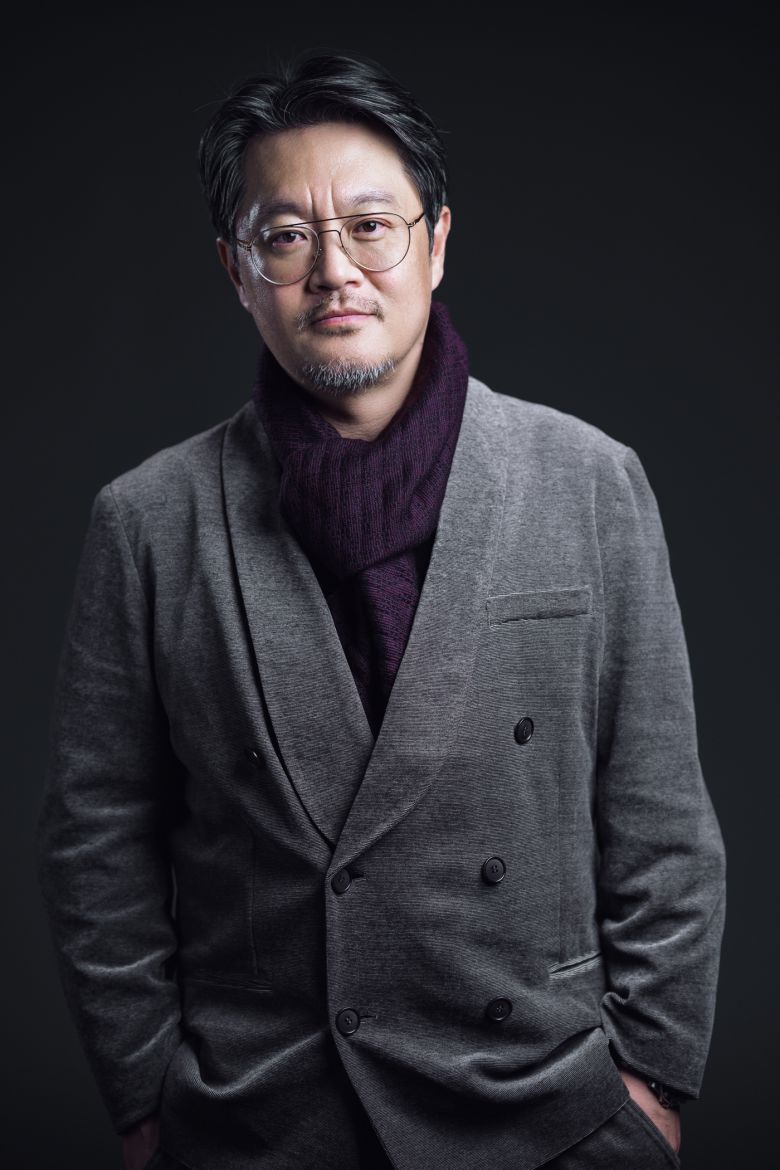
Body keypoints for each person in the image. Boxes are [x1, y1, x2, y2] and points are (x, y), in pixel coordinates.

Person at [36, 51, 727, 1170]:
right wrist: (143, 1096)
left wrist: (651, 1077)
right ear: (237, 270)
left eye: (371, 227)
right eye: (286, 237)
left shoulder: (589, 481)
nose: (335, 272)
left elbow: (660, 810)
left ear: (436, 242)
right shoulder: (149, 520)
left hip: (547, 1105)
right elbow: (97, 839)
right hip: (262, 1121)